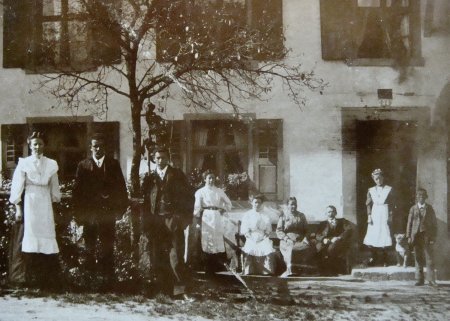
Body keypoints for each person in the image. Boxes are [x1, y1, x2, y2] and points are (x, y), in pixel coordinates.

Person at [72, 133, 128, 290]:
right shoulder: (83, 166)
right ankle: (89, 281)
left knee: (107, 246)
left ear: (105, 148)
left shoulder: (113, 164)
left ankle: (107, 282)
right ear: (90, 147)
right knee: (89, 246)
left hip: (107, 214)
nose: (98, 149)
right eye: (95, 146)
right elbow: (76, 193)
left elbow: (121, 189)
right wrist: (79, 214)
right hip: (90, 215)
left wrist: (120, 211)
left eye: (101, 146)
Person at [9, 131, 62, 290]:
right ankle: (27, 279)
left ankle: (45, 280)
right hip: (30, 202)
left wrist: (55, 200)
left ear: (44, 145)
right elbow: (17, 188)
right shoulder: (24, 163)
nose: (37, 147)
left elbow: (55, 187)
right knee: (29, 238)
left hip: (45, 203)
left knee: (45, 237)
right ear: (30, 146)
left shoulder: (51, 164)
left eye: (40, 144)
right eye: (34, 144)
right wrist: (18, 208)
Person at [141, 146, 194, 300]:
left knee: (176, 255)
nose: (160, 160)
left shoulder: (177, 175)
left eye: (163, 157)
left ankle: (180, 291)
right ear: (153, 159)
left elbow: (189, 199)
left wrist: (183, 220)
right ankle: (162, 289)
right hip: (156, 221)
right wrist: (146, 222)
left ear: (168, 158)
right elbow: (145, 202)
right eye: (157, 158)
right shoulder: (150, 178)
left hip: (173, 220)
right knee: (156, 255)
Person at [193, 170, 233, 276]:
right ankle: (207, 267)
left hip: (217, 216)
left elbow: (229, 204)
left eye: (213, 178)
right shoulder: (200, 192)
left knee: (217, 239)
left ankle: (217, 266)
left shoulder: (219, 191)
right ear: (204, 179)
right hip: (206, 216)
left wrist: (223, 209)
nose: (211, 180)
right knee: (206, 239)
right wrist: (197, 218)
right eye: (209, 178)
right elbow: (197, 207)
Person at [363, 168, 394, 266]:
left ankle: (385, 259)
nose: (378, 180)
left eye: (380, 178)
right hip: (375, 212)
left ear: (383, 178)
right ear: (373, 179)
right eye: (376, 179)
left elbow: (392, 204)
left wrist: (390, 216)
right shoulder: (371, 190)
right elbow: (368, 204)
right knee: (373, 234)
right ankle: (374, 258)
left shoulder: (389, 189)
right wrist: (369, 216)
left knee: (384, 233)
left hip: (385, 212)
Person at [406, 188, 437, 286]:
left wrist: (433, 237)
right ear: (417, 197)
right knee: (418, 257)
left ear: (426, 197)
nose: (421, 198)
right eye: (419, 196)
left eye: (423, 196)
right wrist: (409, 236)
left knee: (429, 258)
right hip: (416, 236)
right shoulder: (413, 208)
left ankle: (431, 280)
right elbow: (409, 223)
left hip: (427, 236)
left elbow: (434, 224)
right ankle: (419, 279)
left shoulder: (430, 208)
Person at [276, 197, 313, 277]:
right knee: (291, 249)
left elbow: (307, 230)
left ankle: (302, 270)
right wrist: (286, 238)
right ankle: (289, 270)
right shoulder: (283, 215)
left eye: (295, 204)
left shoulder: (301, 216)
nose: (294, 206)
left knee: (307, 247)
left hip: (300, 240)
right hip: (287, 240)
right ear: (287, 205)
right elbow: (279, 230)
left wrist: (305, 238)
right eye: (291, 204)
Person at [240, 194, 276, 275]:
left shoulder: (265, 215)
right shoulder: (247, 214)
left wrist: (264, 237)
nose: (257, 204)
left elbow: (268, 230)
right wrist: (250, 237)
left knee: (267, 247)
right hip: (251, 236)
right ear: (252, 203)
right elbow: (245, 230)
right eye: (255, 202)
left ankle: (266, 271)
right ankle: (249, 270)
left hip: (262, 237)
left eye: (259, 202)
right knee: (250, 248)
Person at [316, 205, 352, 275]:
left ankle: (332, 271)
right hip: (325, 241)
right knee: (319, 248)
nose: (330, 213)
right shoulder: (322, 224)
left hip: (337, 241)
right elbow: (317, 234)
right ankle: (321, 271)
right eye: (329, 212)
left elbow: (348, 230)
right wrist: (323, 239)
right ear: (326, 214)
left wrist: (339, 237)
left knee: (331, 249)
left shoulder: (342, 221)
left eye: (332, 211)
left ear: (335, 213)